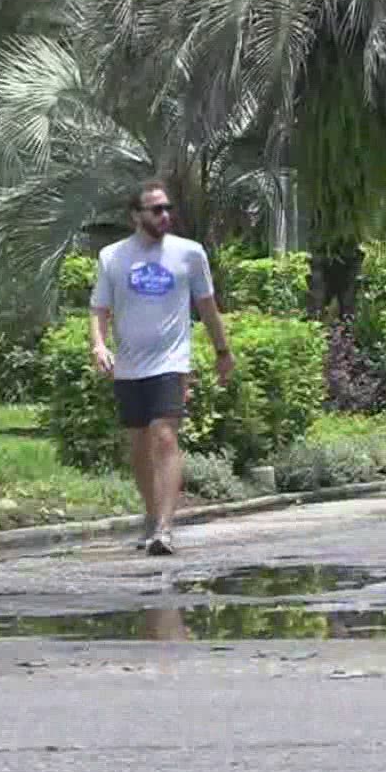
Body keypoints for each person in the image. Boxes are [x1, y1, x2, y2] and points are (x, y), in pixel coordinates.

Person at [88, 178, 235, 555]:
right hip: (130, 366)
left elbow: (206, 306)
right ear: (136, 215)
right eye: (156, 210)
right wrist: (99, 345)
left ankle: (165, 529)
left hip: (171, 362)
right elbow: (99, 308)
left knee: (164, 435)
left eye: (168, 208)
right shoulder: (112, 257)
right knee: (138, 445)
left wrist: (222, 351)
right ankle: (151, 518)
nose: (165, 215)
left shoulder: (189, 254)